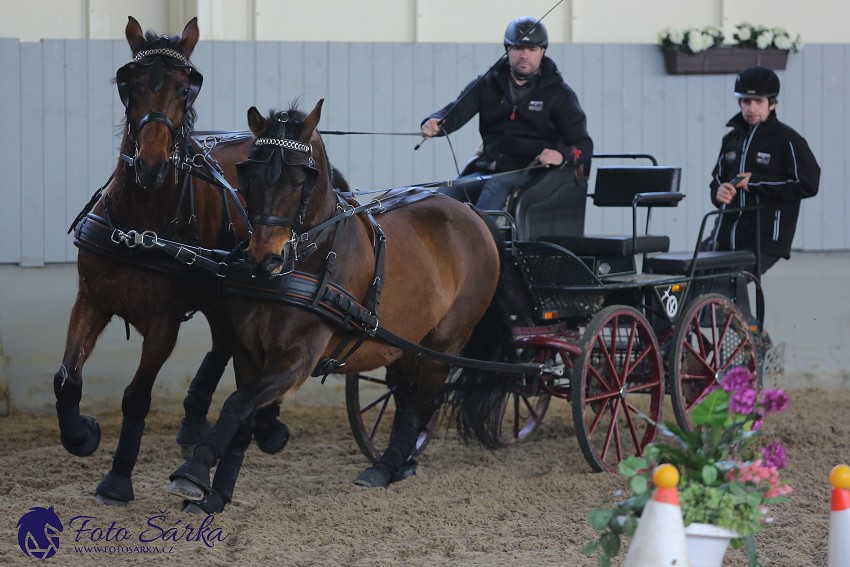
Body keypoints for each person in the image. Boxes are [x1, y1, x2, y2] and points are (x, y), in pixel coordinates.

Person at [420, 16, 593, 212]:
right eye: (518, 48)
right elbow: (454, 112)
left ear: (542, 51)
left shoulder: (560, 94)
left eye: (532, 49)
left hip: (531, 172)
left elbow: (584, 147)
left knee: (496, 187)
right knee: (447, 193)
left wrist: (561, 155)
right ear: (507, 49)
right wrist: (434, 123)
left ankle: (481, 241)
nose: (524, 55)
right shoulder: (486, 84)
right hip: (486, 169)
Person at [708, 65, 820, 329]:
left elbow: (807, 184)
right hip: (724, 235)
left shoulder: (788, 140)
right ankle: (684, 344)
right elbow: (716, 178)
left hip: (766, 239)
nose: (751, 108)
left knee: (730, 279)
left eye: (758, 101)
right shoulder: (731, 140)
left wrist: (756, 181)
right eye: (745, 101)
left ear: (772, 104)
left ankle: (752, 338)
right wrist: (718, 192)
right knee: (687, 275)